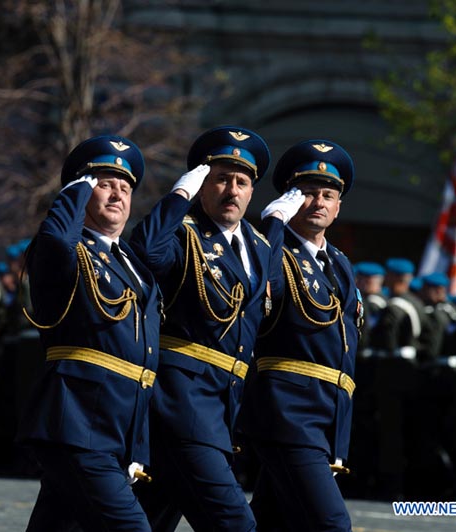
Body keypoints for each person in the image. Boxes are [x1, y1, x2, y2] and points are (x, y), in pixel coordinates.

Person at [129, 125, 303, 531]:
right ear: (201, 184)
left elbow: (270, 293)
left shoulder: (259, 245)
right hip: (181, 406)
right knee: (234, 523)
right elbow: (147, 254)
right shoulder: (184, 234)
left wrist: (276, 227)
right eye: (221, 179)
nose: (232, 190)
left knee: (149, 520)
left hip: (224, 410)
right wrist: (177, 198)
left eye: (242, 182)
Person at [17, 135, 161, 531]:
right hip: (78, 423)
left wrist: (137, 444)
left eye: (125, 188)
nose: (117, 195)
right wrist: (78, 185)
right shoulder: (68, 249)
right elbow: (54, 240)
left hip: (117, 430)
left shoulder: (133, 263)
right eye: (105, 184)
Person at [239, 139, 361, 531]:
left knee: (273, 520)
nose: (319, 203)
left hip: (328, 414)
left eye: (328, 195)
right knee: (330, 523)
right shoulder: (273, 251)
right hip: (288, 411)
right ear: (291, 199)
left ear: (339, 205)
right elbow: (260, 289)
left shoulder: (339, 263)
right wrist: (272, 227)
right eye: (308, 194)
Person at [372, 258, 427, 360]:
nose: (385, 278)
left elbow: (388, 341)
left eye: (388, 275)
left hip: (393, 361)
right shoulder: (417, 302)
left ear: (395, 278)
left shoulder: (394, 306)